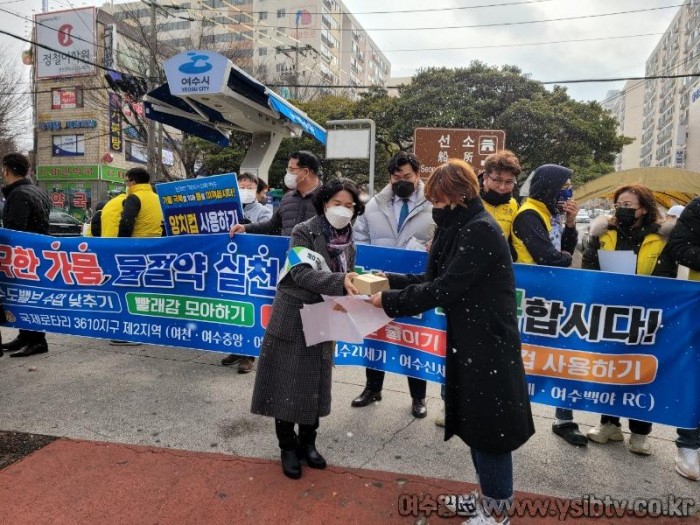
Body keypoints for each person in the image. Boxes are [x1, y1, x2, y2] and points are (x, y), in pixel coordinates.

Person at [369, 159, 534, 524]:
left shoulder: (480, 230)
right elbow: (432, 275)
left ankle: (497, 512)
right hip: (469, 340)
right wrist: (389, 279)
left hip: (489, 342)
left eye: (439, 202)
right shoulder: (456, 225)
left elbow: (446, 288)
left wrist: (389, 301)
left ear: (459, 197)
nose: (435, 209)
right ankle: (486, 497)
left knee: (492, 430)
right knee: (476, 424)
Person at [250, 178, 364, 480]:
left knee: (315, 384)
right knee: (285, 384)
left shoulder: (349, 239)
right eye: (337, 203)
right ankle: (287, 447)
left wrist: (357, 285)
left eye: (349, 205)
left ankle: (308, 443)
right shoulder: (303, 231)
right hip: (293, 315)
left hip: (326, 316)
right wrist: (341, 282)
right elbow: (300, 273)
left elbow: (349, 275)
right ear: (324, 202)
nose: (343, 210)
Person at [582, 185, 676, 456]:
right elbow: (589, 268)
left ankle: (640, 432)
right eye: (618, 204)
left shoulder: (661, 238)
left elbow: (667, 277)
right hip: (611, 313)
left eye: (628, 203)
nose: (622, 208)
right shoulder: (603, 234)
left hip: (646, 316)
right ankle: (609, 424)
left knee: (641, 373)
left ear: (643, 208)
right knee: (611, 369)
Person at [351, 151, 434, 419]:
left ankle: (418, 397)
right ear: (389, 176)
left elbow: (441, 239)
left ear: (418, 174)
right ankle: (373, 388)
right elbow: (359, 235)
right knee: (375, 337)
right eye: (396, 176)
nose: (401, 181)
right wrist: (370, 257)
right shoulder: (375, 204)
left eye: (407, 176)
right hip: (378, 281)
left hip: (415, 283)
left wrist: (427, 249)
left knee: (413, 339)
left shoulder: (433, 203)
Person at [510, 164, 586, 447]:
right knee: (524, 359)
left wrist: (570, 223)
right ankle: (512, 413)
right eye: (564, 185)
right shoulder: (529, 214)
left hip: (553, 296)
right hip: (531, 300)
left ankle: (564, 420)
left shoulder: (550, 213)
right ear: (548, 186)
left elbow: (562, 250)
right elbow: (547, 257)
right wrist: (565, 258)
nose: (568, 191)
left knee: (562, 358)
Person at [103, 168, 163, 346]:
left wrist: (121, 246)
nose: (126, 185)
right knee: (145, 291)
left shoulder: (134, 198)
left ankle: (131, 333)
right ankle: (147, 329)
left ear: (133, 183)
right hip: (154, 251)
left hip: (134, 252)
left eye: (127, 182)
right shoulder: (156, 198)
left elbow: (126, 222)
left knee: (128, 292)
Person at [221, 173, 273, 373]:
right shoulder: (225, 211)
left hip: (252, 268)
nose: (245, 190)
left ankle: (248, 355)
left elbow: (269, 234)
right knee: (232, 309)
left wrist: (248, 228)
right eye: (241, 186)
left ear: (256, 190)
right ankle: (235, 348)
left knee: (248, 310)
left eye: (249, 187)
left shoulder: (263, 212)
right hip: (228, 267)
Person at [0, 153, 51, 358]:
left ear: (6, 170)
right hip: (36, 256)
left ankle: (37, 340)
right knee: (27, 297)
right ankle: (26, 336)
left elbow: (14, 232)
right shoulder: (37, 191)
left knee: (25, 297)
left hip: (23, 258)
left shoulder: (19, 194)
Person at [666, 196, 700, 480]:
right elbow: (679, 248)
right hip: (697, 305)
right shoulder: (698, 206)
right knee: (696, 377)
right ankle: (688, 445)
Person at [230, 151, 322, 238]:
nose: (287, 174)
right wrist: (246, 227)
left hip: (314, 254)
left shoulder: (327, 198)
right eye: (287, 170)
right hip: (287, 253)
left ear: (306, 172)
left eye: (291, 170)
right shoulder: (287, 198)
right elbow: (273, 226)